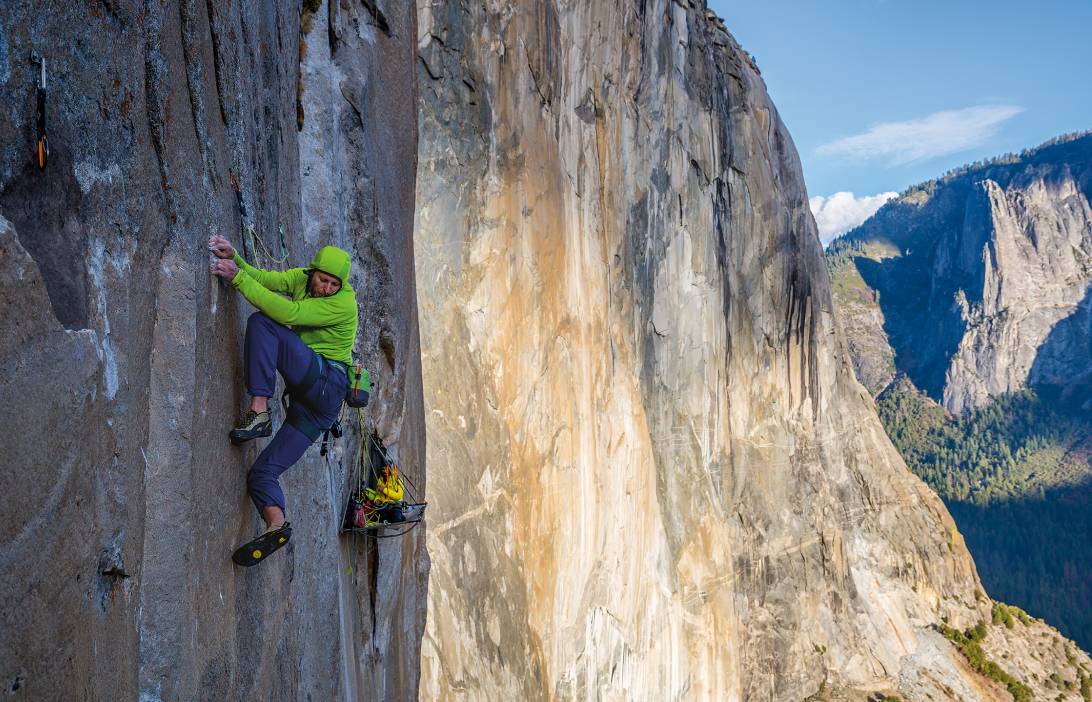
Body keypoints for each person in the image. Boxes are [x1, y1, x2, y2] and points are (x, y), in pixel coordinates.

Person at [209, 234, 357, 547]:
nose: (326, 288)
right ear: (312, 272)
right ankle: (276, 523)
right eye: (323, 280)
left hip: (327, 383)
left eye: (334, 284)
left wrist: (237, 281)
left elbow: (289, 315)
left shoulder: (343, 304)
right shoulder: (301, 279)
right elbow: (266, 279)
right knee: (263, 473)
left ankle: (259, 411)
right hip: (313, 408)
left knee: (263, 324)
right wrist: (236, 260)